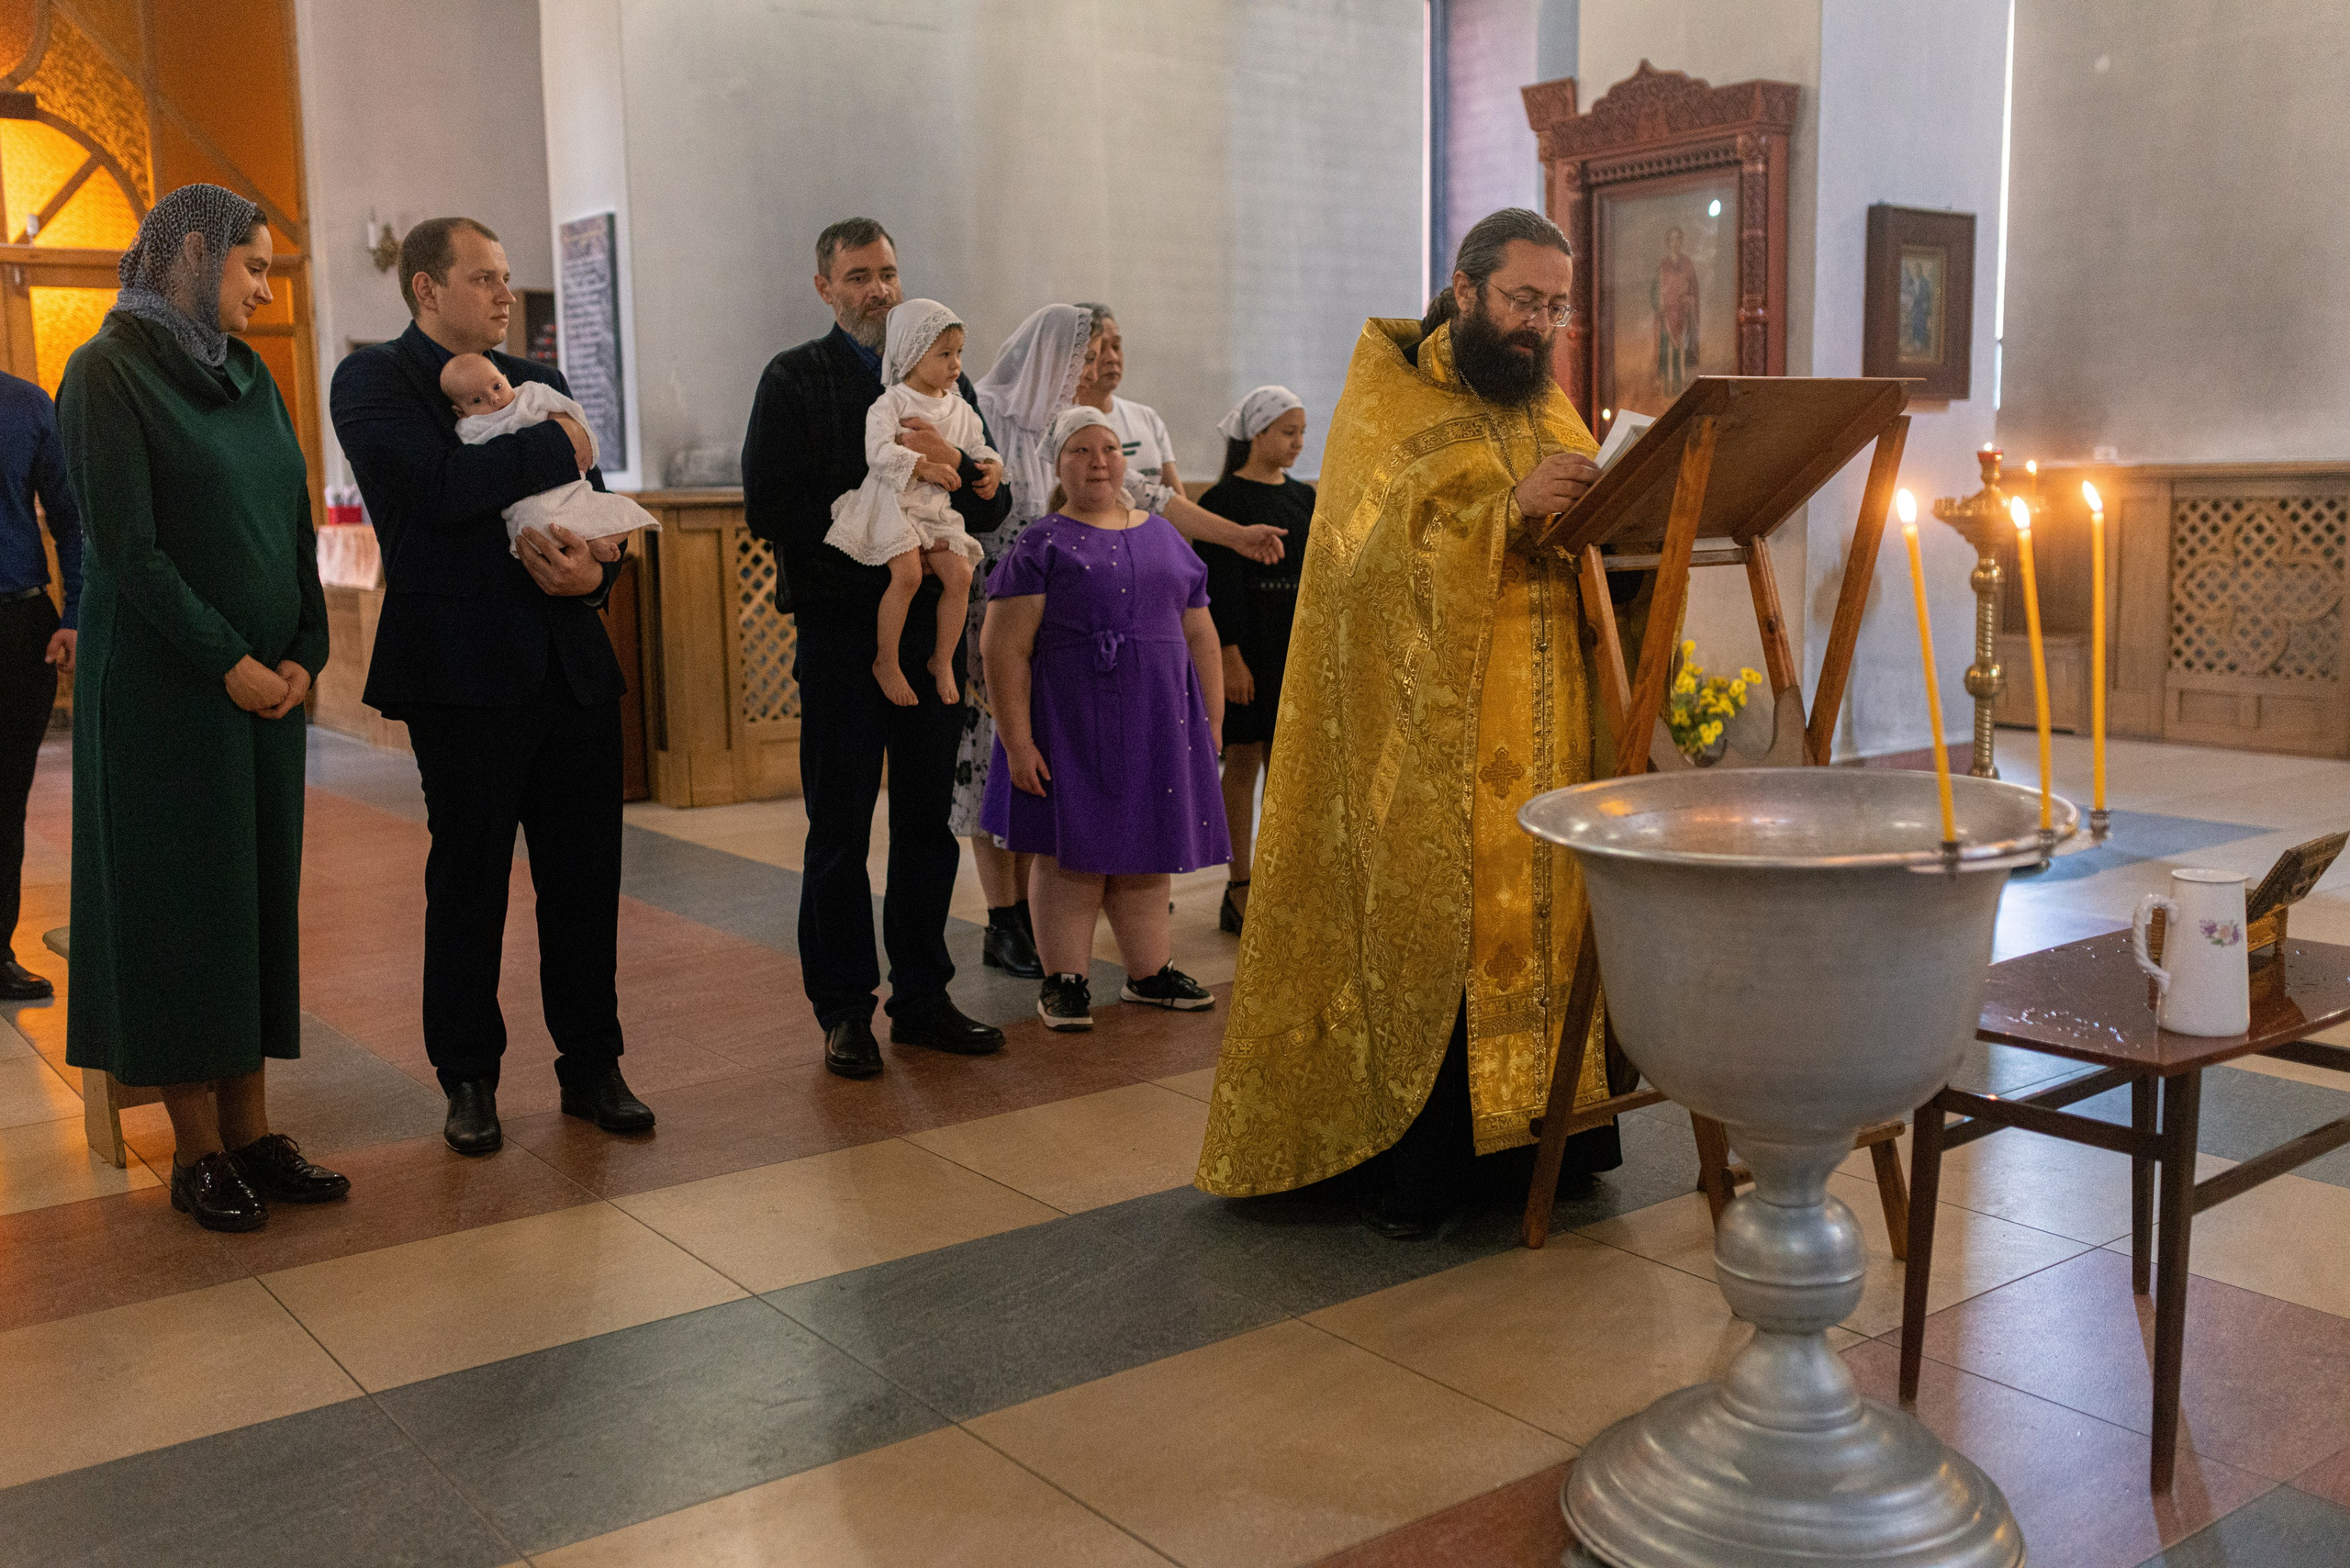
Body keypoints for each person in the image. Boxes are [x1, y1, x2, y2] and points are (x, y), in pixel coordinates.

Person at [1196, 207, 1639, 1238]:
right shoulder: (1387, 399)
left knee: (1548, 912)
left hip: (1549, 719)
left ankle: (1547, 1140)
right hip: (1428, 740)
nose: (1540, 324)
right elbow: (1356, 573)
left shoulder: (1550, 406)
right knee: (1449, 922)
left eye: (1557, 307)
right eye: (1525, 299)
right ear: (1466, 285)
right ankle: (1427, 1163)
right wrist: (1501, 514)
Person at [57, 185, 349, 1230]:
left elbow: (291, 513)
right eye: (253, 269)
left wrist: (305, 647)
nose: (266, 292)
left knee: (253, 899)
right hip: (166, 694)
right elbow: (126, 551)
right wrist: (229, 659)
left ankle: (255, 1132)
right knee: (181, 909)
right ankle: (196, 1151)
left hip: (264, 692)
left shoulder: (253, 375)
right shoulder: (107, 373)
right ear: (193, 252)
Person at [331, 215, 654, 1155]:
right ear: (427, 288)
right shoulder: (374, 380)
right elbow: (436, 492)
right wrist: (567, 442)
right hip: (460, 672)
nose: (506, 294)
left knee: (586, 880)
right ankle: (467, 1076)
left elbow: (593, 519)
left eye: (507, 277)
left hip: (570, 664)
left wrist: (600, 575)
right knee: (470, 880)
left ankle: (593, 1063)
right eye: (484, 278)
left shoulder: (542, 384)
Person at [741, 218, 1012, 1078]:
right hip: (840, 630)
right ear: (825, 287)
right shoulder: (795, 378)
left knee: (928, 824)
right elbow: (769, 508)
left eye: (888, 272)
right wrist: (887, 508)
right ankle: (844, 1009)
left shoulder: (945, 376)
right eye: (858, 276)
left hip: (934, 625)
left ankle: (923, 996)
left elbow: (994, 508)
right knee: (840, 827)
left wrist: (957, 471)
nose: (879, 290)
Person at [980, 407, 1227, 1030]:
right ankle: (1064, 979)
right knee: (1073, 857)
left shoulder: (1165, 535)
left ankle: (1150, 973)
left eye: (1110, 449)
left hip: (1156, 721)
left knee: (1147, 852)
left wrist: (1211, 718)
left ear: (1127, 459)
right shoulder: (1041, 543)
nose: (1098, 461)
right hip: (1071, 721)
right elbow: (1002, 648)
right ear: (1058, 466)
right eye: (1081, 451)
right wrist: (1017, 741)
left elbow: (1199, 630)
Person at [951, 303, 1097, 982]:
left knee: (1032, 762)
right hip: (992, 604)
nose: (1083, 371)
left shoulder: (1068, 428)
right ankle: (1001, 919)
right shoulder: (984, 414)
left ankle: (1031, 917)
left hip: (1054, 613)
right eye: (1075, 358)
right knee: (990, 761)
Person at [822, 298, 999, 707]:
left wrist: (991, 467)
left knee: (959, 575)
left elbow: (978, 446)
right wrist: (923, 467)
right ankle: (887, 660)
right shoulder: (892, 402)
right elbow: (877, 452)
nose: (956, 364)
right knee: (908, 575)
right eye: (944, 354)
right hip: (894, 501)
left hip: (936, 509)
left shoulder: (960, 406)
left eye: (959, 353)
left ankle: (941, 658)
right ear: (911, 355)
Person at [1193, 386, 1313, 935]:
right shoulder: (1222, 504)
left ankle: (1284, 879)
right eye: (1287, 432)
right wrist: (1229, 655)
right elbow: (1217, 586)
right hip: (1247, 647)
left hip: (1293, 644)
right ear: (1258, 434)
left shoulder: (1303, 499)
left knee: (1287, 768)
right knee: (1242, 761)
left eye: (1301, 433)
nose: (1297, 443)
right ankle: (1239, 883)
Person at [1069, 302, 1291, 560]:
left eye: (1116, 346)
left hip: (1151, 561)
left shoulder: (1146, 418)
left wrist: (1183, 563)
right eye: (1095, 352)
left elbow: (1166, 499)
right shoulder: (1060, 427)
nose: (1111, 358)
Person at [0, 368, 83, 1002]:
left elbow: (71, 520)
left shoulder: (27, 404)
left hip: (17, 619)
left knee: (6, 798)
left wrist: (78, 614)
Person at [441, 352, 658, 554]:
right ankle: (585, 544)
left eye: (497, 386)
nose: (494, 399)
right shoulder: (470, 427)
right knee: (537, 522)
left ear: (506, 379)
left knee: (618, 509)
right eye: (478, 400)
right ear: (460, 412)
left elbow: (576, 421)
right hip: (529, 501)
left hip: (570, 488)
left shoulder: (530, 394)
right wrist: (560, 440)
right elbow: (470, 471)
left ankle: (593, 544)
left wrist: (582, 436)